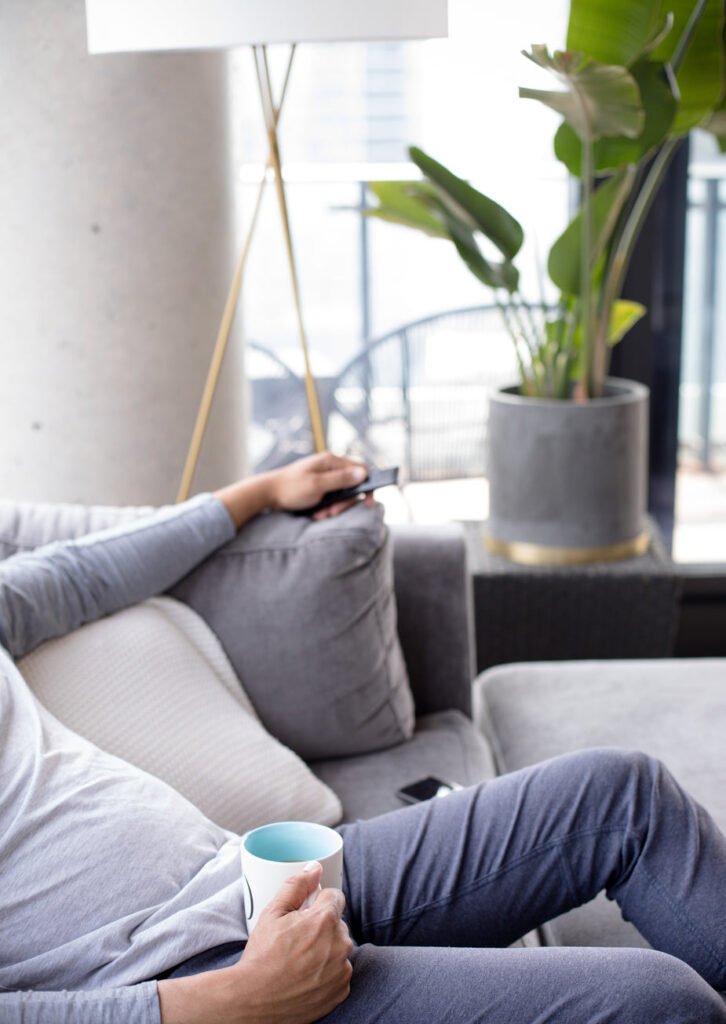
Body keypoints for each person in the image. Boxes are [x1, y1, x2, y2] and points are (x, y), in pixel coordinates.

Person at [1, 451, 725, 1024]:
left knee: (620, 795)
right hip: (189, 982)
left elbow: (79, 575)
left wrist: (257, 492)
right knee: (660, 1003)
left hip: (237, 887)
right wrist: (224, 1004)